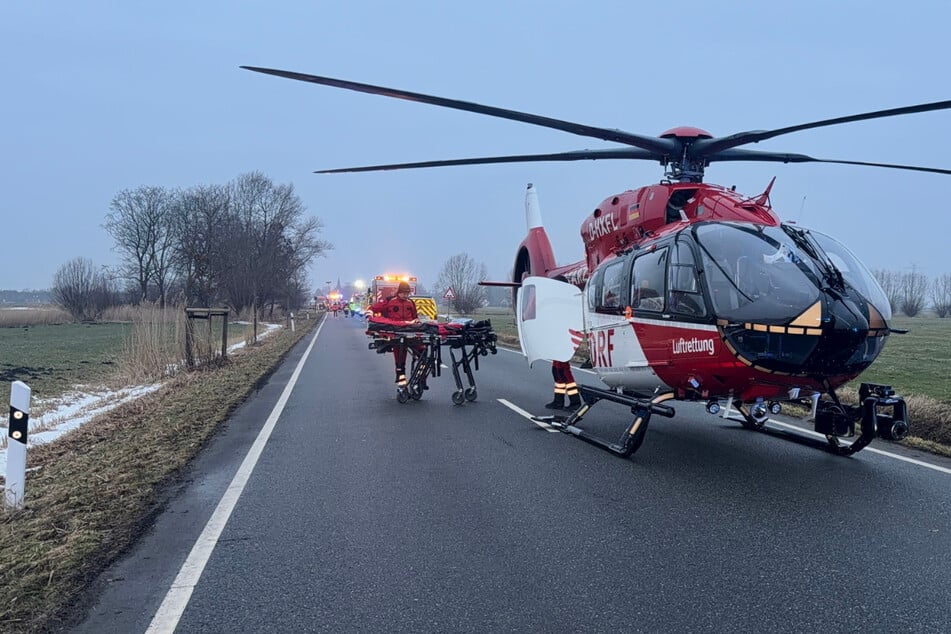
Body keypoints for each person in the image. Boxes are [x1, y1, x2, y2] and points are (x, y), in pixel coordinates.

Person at [367, 281, 423, 386]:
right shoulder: (389, 301)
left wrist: (417, 325)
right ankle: (401, 380)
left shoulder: (410, 303)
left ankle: (421, 377)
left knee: (422, 352)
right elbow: (373, 309)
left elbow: (415, 317)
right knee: (400, 359)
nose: (406, 295)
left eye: (408, 293)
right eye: (404, 293)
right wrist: (370, 317)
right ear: (399, 292)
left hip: (410, 333)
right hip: (396, 335)